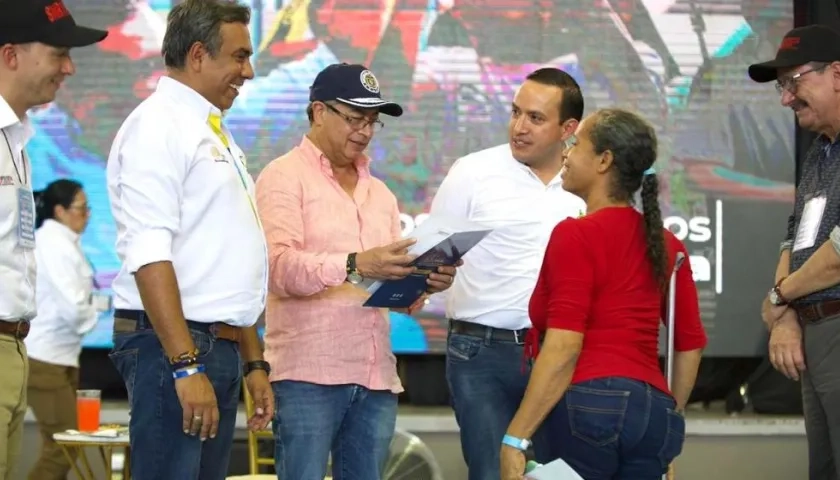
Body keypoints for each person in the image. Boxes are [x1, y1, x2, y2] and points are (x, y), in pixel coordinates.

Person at [254, 62, 458, 480]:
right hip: (307, 375)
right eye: (353, 118)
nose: (364, 131)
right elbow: (276, 269)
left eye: (371, 121)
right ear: (318, 112)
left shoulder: (380, 192)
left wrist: (424, 282)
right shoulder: (282, 177)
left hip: (375, 375)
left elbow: (391, 292)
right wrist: (353, 264)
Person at [105, 1, 273, 478]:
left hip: (212, 344)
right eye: (239, 56)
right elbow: (149, 254)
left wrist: (254, 362)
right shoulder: (158, 126)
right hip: (175, 347)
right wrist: (183, 364)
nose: (250, 71)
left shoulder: (209, 131)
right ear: (198, 55)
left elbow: (225, 263)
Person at [499, 108, 707, 480]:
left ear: (604, 161)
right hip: (654, 413)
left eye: (576, 144)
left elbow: (564, 344)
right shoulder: (669, 243)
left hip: (587, 404)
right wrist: (667, 423)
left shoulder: (575, 235)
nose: (566, 151)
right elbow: (689, 345)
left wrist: (515, 438)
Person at [427, 67, 586, 480]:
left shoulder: (586, 183)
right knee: (492, 472)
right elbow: (428, 257)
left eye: (535, 118)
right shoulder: (472, 172)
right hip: (481, 355)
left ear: (568, 128)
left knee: (559, 474)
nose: (519, 127)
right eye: (516, 112)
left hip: (562, 354)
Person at [0, 2, 106, 478]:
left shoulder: (16, 142)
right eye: (59, 53)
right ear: (10, 55)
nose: (70, 67)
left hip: (19, 347)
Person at [750, 25, 840, 480]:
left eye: (794, 82)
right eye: (783, 88)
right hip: (817, 331)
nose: (786, 98)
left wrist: (780, 297)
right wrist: (785, 312)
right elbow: (796, 236)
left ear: (838, 74)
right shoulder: (820, 153)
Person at [25, 180, 99, 480]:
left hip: (62, 356)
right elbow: (74, 307)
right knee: (65, 445)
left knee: (61, 444)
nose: (88, 215)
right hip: (46, 357)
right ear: (60, 211)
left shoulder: (65, 243)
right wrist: (94, 314)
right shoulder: (52, 244)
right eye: (81, 209)